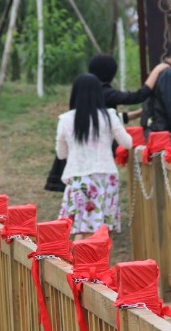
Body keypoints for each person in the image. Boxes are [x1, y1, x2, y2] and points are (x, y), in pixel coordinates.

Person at [43, 55, 168, 193]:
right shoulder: (104, 92)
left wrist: (138, 113)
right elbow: (137, 97)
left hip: (77, 169)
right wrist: (156, 71)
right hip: (100, 169)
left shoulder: (71, 113)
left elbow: (103, 119)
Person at [56, 74, 132, 239]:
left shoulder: (66, 120)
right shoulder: (109, 116)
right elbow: (127, 143)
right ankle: (98, 258)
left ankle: (79, 257)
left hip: (78, 179)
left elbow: (61, 154)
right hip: (105, 179)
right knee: (101, 232)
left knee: (80, 229)